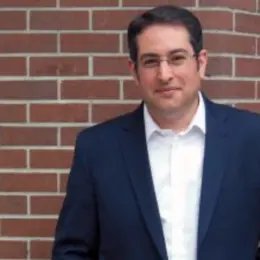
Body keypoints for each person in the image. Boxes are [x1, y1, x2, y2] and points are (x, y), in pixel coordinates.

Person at [51, 5, 260, 260]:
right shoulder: (97, 149)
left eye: (177, 58)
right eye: (151, 61)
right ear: (134, 71)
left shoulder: (252, 138)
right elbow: (72, 251)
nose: (164, 74)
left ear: (201, 63)